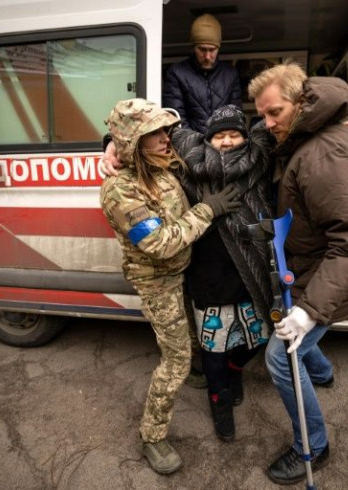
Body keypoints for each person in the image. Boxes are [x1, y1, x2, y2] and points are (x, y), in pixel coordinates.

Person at [247, 62, 348, 485]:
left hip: (328, 276)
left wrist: (308, 311)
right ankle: (323, 373)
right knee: (300, 347)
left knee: (280, 356)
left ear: (302, 102)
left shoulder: (324, 153)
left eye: (274, 113)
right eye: (262, 114)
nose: (267, 124)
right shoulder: (304, 136)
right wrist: (115, 145)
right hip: (314, 269)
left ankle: (316, 444)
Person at [99, 98, 241, 475]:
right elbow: (161, 244)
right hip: (156, 279)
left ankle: (193, 370)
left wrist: (109, 144)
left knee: (189, 332)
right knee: (175, 359)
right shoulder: (120, 191)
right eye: (156, 133)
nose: (167, 137)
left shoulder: (160, 162)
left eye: (166, 129)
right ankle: (152, 435)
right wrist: (208, 210)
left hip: (183, 270)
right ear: (135, 142)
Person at [172, 104, 275, 442]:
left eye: (234, 134)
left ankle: (235, 371)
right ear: (207, 138)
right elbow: (152, 128)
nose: (228, 141)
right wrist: (111, 142)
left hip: (249, 273)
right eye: (219, 135)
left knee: (254, 338)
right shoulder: (190, 163)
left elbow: (287, 113)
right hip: (208, 275)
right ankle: (219, 400)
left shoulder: (259, 156)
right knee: (213, 347)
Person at [162, 13, 242, 133]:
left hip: (224, 144)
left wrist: (222, 141)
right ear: (193, 47)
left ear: (218, 48)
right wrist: (195, 146)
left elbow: (235, 116)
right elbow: (177, 118)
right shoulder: (176, 73)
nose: (207, 56)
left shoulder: (230, 74)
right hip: (189, 147)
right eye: (202, 49)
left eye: (212, 50)